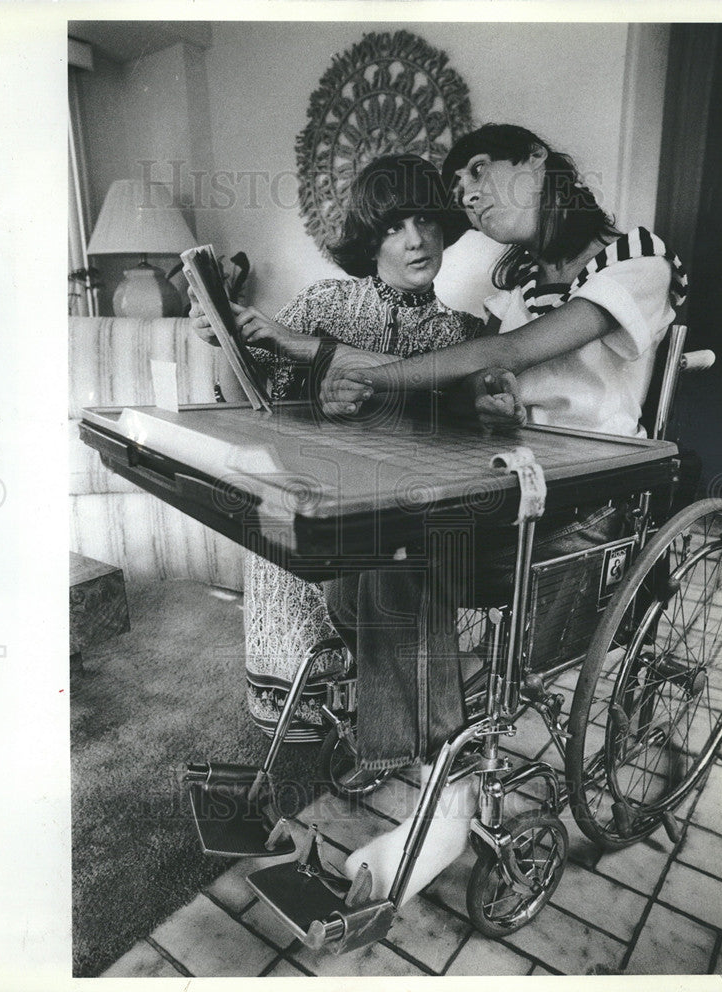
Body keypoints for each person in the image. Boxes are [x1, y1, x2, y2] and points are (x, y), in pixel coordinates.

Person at [317, 123, 688, 903]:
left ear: (539, 162)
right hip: (513, 498)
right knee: (372, 574)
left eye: (481, 173)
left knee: (399, 573)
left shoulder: (637, 257)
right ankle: (438, 776)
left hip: (591, 517)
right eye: (460, 191)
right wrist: (487, 406)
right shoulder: (516, 279)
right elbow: (498, 383)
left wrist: (387, 376)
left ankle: (442, 814)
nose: (472, 198)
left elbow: (508, 354)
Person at [190, 153, 483, 743]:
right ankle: (317, 729)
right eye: (394, 227)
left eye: (426, 221)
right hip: (314, 495)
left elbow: (447, 412)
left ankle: (392, 735)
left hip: (399, 508)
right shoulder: (325, 302)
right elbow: (240, 396)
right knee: (300, 728)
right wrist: (222, 341)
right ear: (370, 240)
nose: (416, 240)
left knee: (392, 575)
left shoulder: (464, 334)